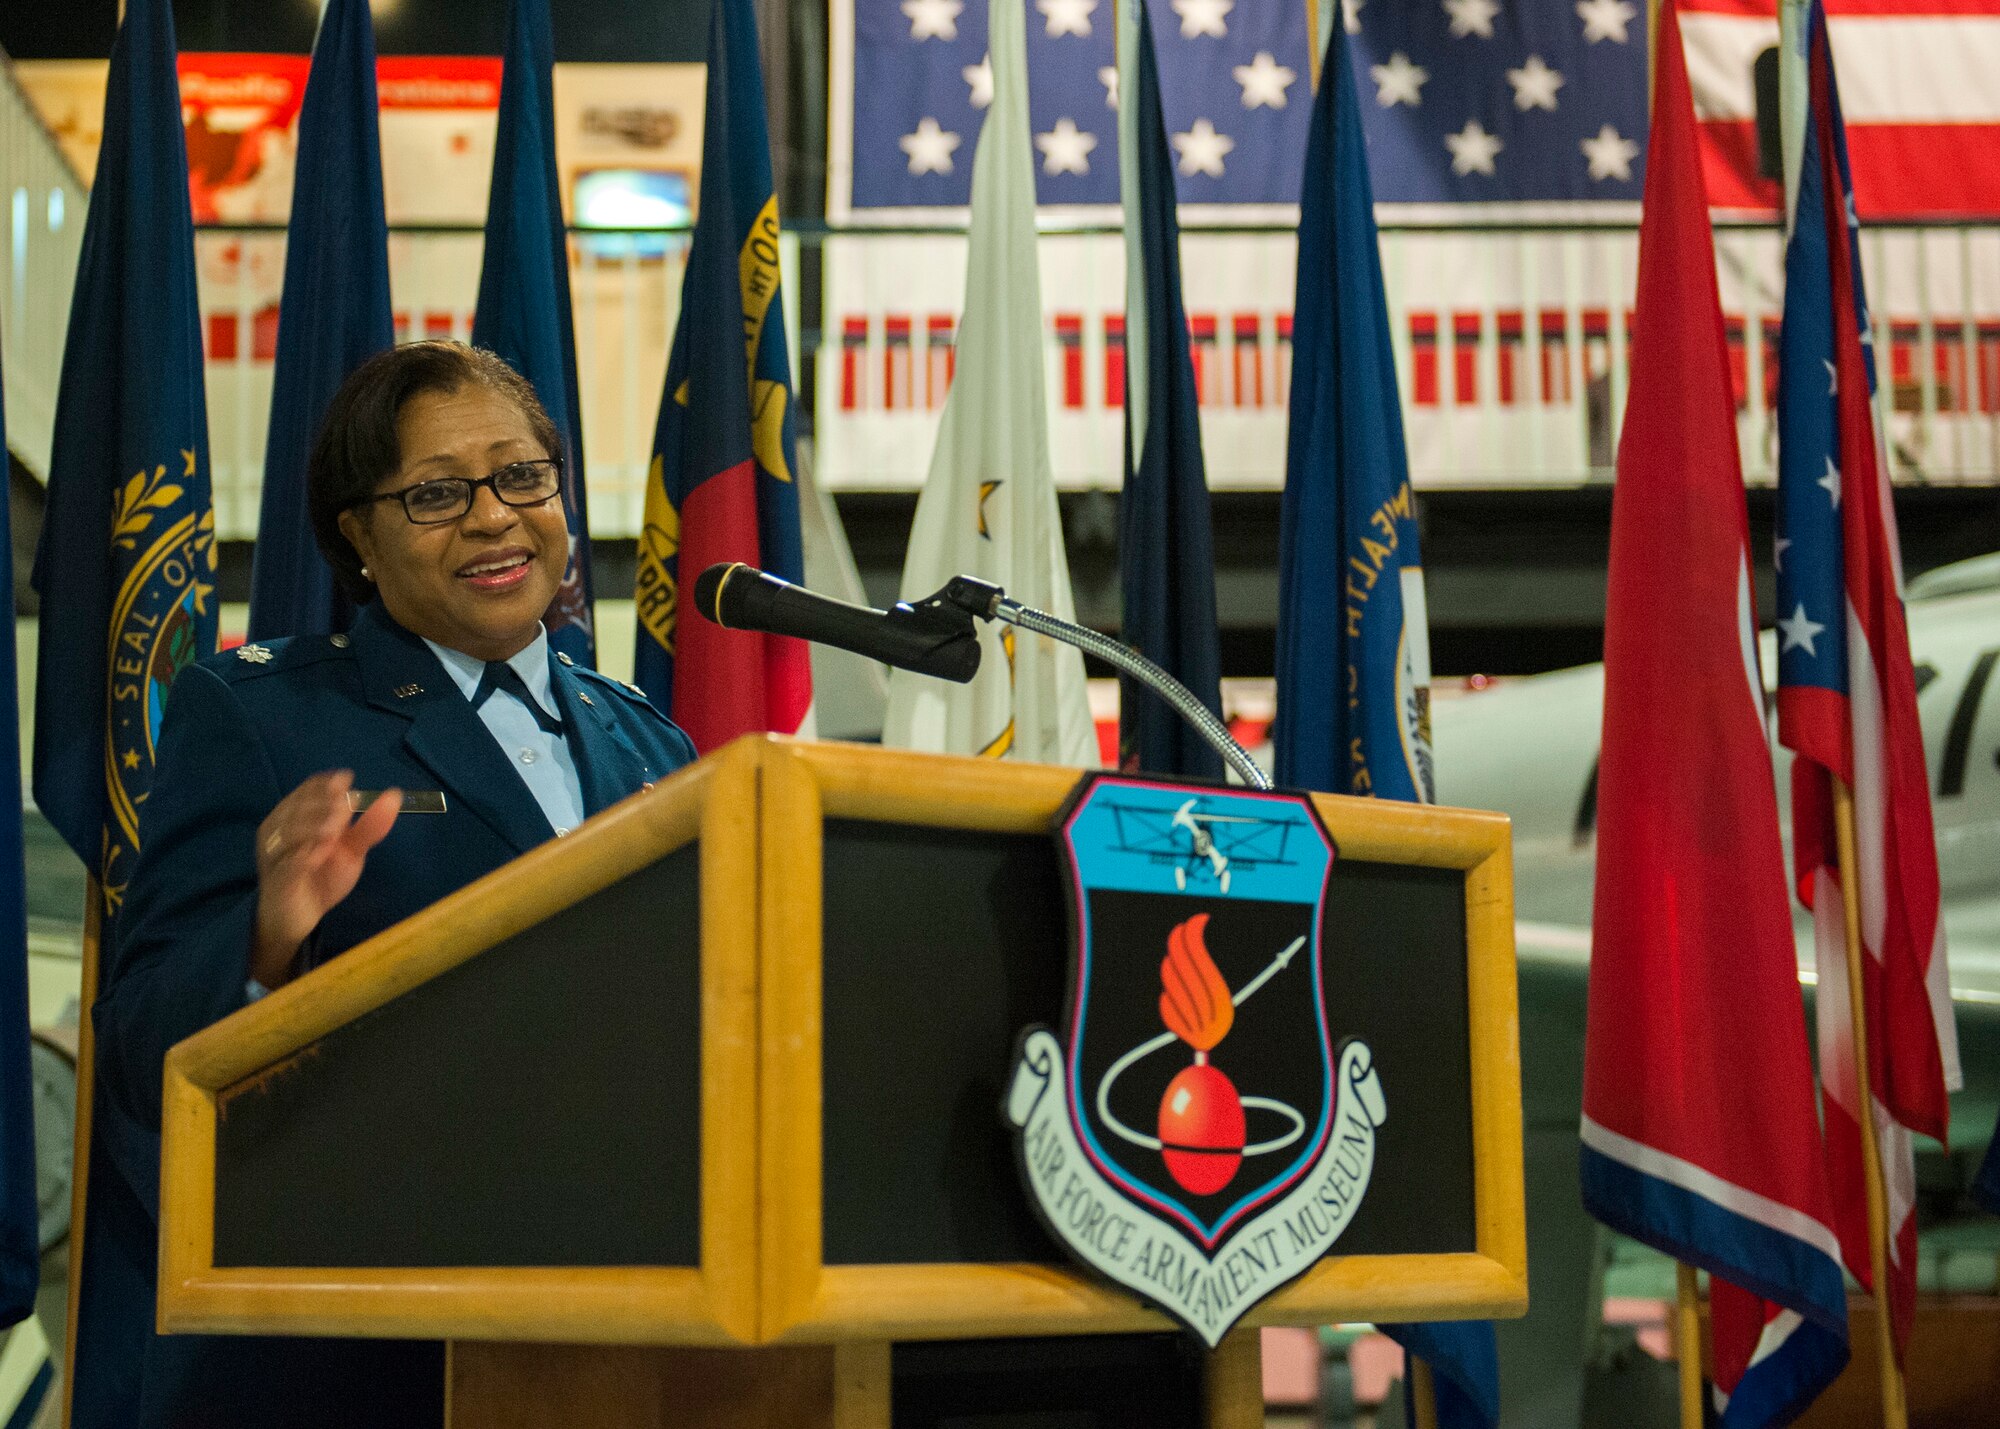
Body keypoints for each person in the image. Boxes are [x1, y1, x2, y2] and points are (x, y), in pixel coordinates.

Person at [76, 342, 698, 1428]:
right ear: (358, 538)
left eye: (522, 475)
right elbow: (137, 1051)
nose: (495, 517)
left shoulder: (649, 739)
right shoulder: (263, 715)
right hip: (348, 1361)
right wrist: (265, 939)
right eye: (436, 494)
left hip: (624, 1337)